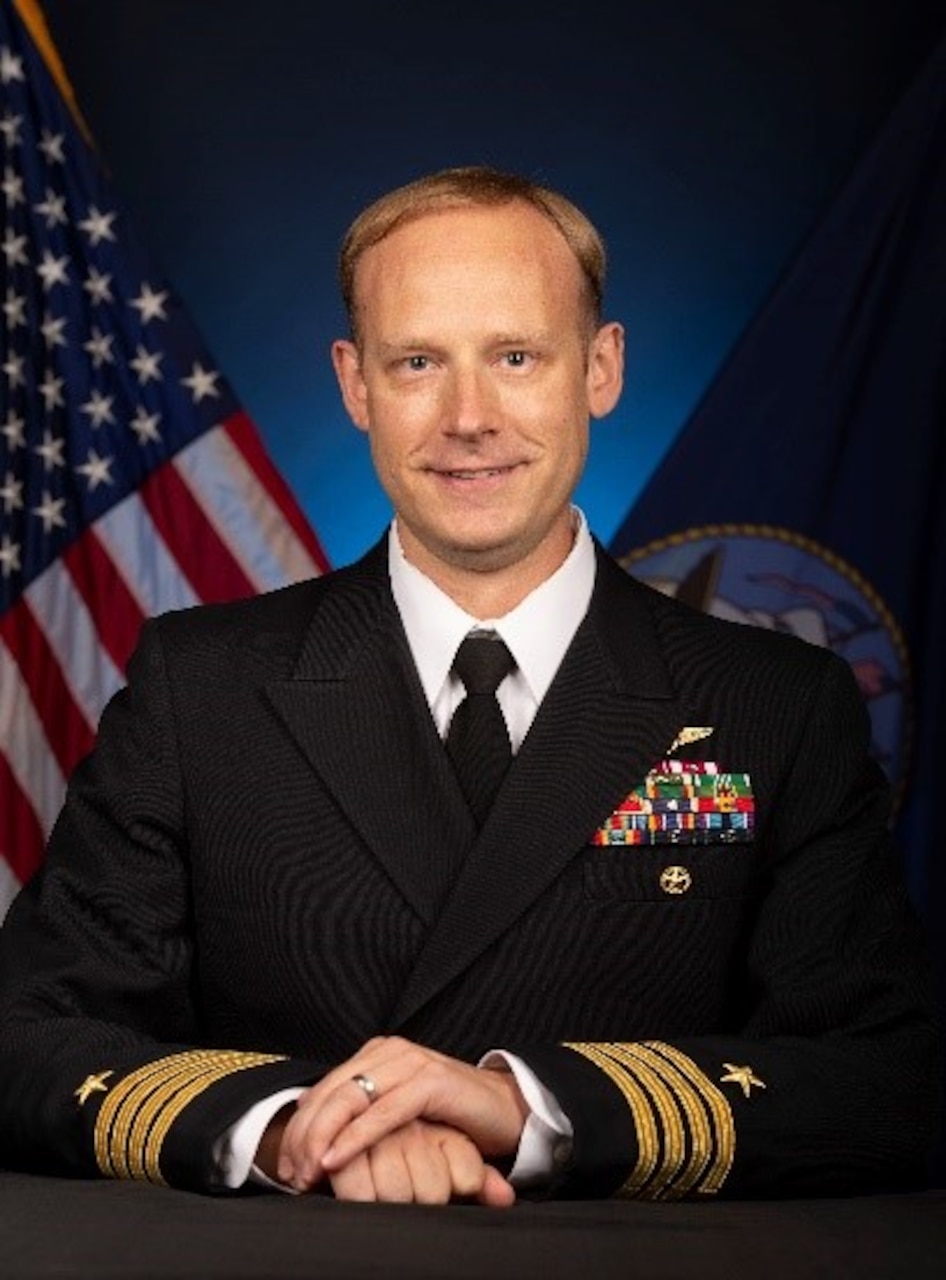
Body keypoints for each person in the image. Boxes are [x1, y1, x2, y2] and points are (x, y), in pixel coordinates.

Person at [0, 165, 940, 1205]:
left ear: (600, 366)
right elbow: (27, 1036)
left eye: (516, 356)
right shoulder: (200, 688)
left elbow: (890, 1076)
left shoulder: (779, 706)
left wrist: (527, 1104)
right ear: (355, 384)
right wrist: (294, 1128)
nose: (468, 417)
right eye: (416, 362)